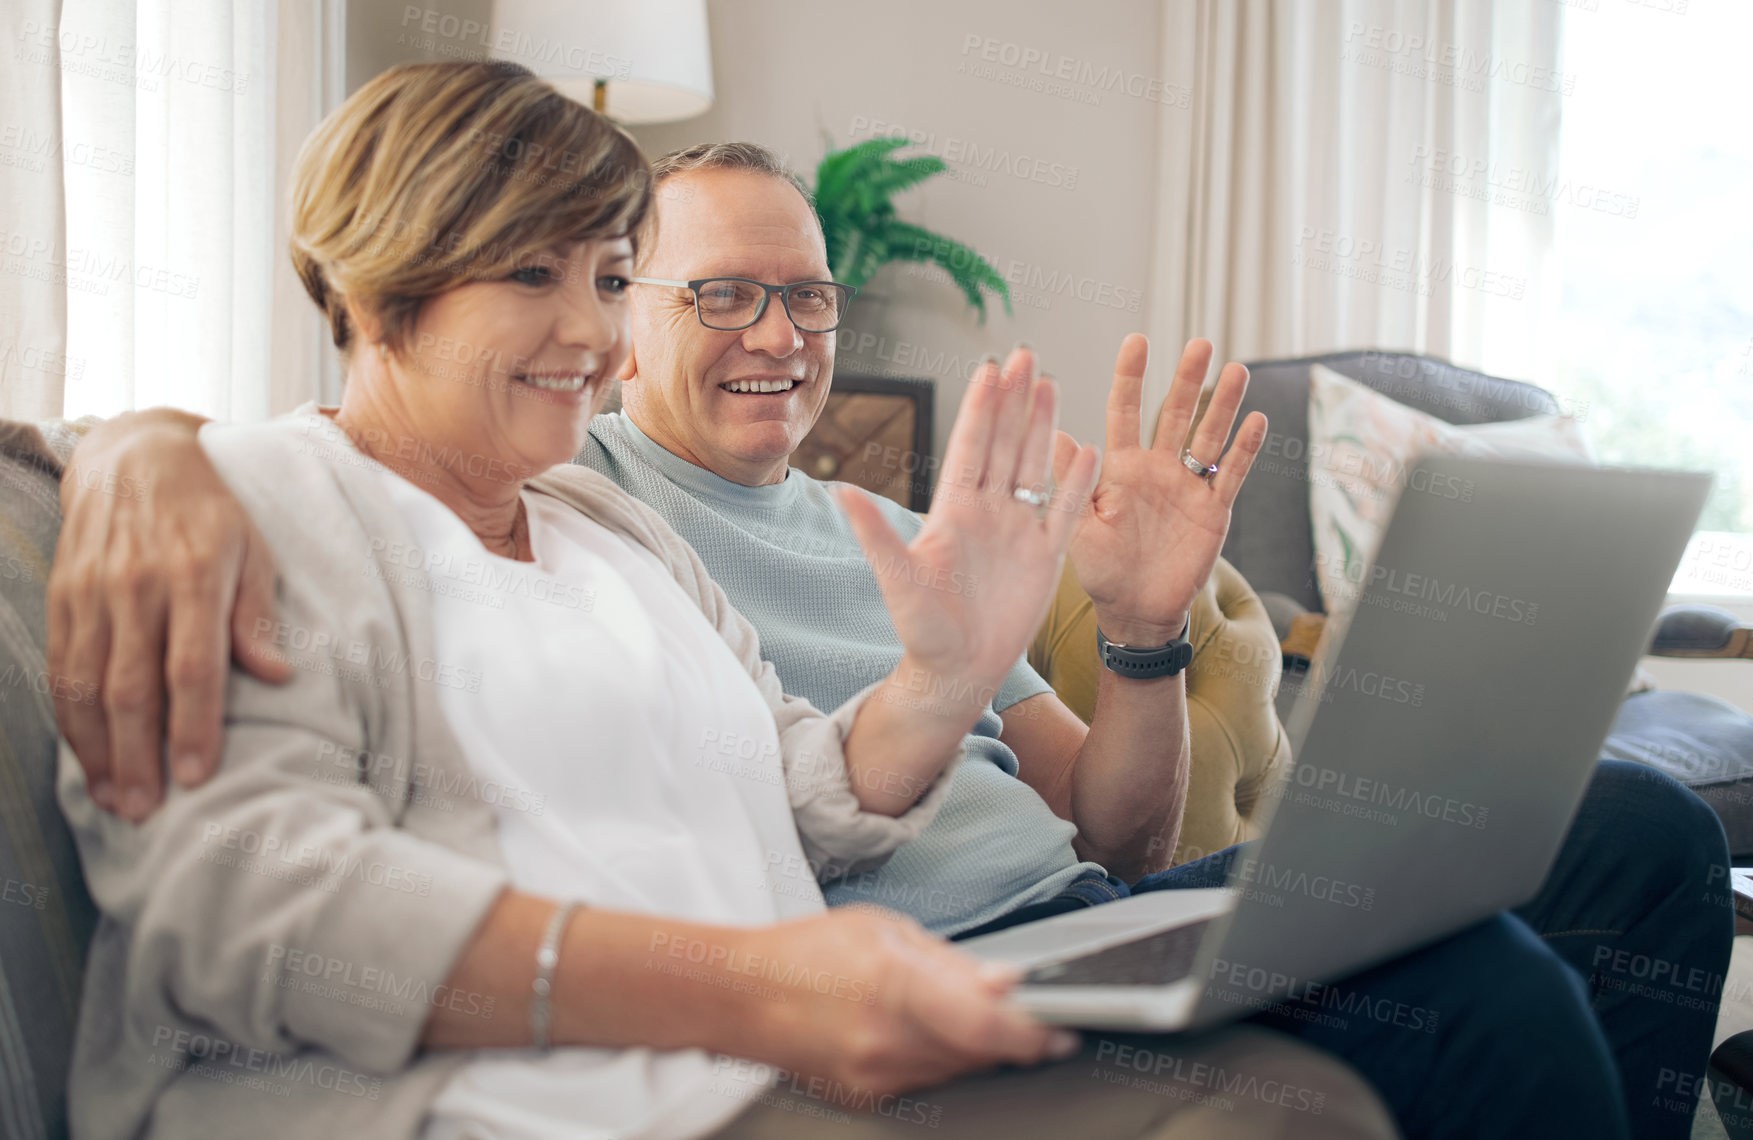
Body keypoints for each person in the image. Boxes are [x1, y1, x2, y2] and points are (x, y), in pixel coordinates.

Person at [49, 125, 1727, 1140]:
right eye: (717, 292)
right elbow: (343, 425)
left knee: (1636, 834)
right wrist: (137, 443)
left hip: (1081, 911)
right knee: (1476, 988)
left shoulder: (938, 536)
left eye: (807, 296)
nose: (780, 335)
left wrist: (1137, 638)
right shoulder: (576, 477)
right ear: (620, 316)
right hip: (915, 971)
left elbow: (1119, 828)